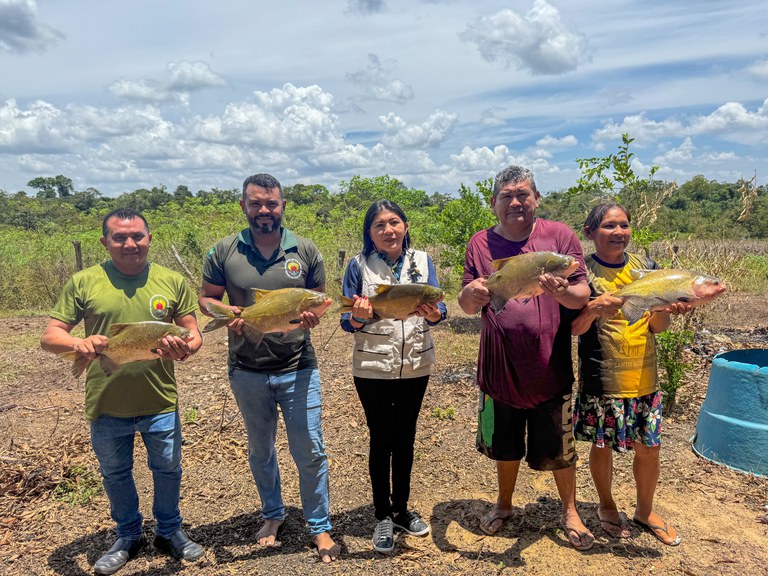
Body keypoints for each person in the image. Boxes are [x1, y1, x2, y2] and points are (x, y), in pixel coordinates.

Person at [40, 209, 204, 575]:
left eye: (137, 236)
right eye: (119, 237)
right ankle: (127, 535)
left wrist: (187, 347)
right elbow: (50, 336)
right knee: (115, 474)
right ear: (105, 242)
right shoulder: (85, 281)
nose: (129, 244)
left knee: (168, 470)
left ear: (149, 238)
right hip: (106, 401)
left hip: (160, 399)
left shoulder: (172, 281)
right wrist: (79, 343)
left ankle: (169, 531)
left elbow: (193, 332)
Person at [198, 173, 340, 563]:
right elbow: (207, 300)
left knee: (309, 448)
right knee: (261, 449)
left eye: (271, 203)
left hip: (298, 367)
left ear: (283, 206)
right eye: (256, 203)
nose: (264, 210)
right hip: (246, 367)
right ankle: (273, 514)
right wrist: (232, 315)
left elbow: (319, 301)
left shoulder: (306, 250)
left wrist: (312, 319)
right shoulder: (223, 251)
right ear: (242, 205)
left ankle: (320, 524)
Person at [458, 165, 595, 551]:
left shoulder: (559, 237)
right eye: (507, 195)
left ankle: (570, 511)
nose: (516, 202)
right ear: (493, 203)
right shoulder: (480, 244)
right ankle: (504, 502)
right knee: (505, 443)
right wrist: (475, 293)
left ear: (536, 199)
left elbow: (581, 294)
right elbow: (467, 305)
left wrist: (559, 292)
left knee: (560, 446)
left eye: (523, 194)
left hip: (549, 366)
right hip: (498, 369)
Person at [571, 201, 687, 546]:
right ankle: (607, 507)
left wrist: (666, 309)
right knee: (602, 445)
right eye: (608, 226)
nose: (618, 232)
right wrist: (594, 308)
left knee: (649, 448)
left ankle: (645, 510)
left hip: (643, 378)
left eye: (624, 225)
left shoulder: (647, 269)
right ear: (590, 233)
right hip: (602, 378)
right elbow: (575, 329)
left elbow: (658, 327)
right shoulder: (582, 275)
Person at [340, 200, 447, 554]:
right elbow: (346, 322)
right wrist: (358, 316)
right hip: (372, 367)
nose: (388, 230)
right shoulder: (358, 265)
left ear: (405, 225)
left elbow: (439, 310)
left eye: (394, 222)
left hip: (415, 363)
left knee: (406, 438)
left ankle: (402, 509)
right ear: (369, 233)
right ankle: (382, 514)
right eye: (379, 225)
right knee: (381, 438)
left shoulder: (423, 261)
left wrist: (434, 313)